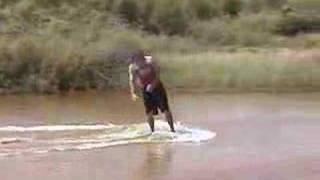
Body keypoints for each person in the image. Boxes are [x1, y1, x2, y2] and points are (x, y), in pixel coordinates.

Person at [128, 50, 175, 133]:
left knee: (165, 109)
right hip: (145, 89)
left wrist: (153, 84)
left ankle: (172, 129)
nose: (138, 63)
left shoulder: (150, 61)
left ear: (142, 58)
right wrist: (133, 93)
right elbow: (132, 80)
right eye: (136, 61)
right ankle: (152, 131)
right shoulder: (133, 67)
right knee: (148, 111)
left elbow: (158, 74)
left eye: (139, 60)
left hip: (157, 86)